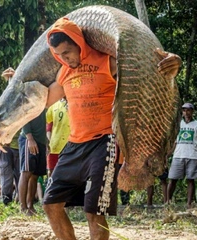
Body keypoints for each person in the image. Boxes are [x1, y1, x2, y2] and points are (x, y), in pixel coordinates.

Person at [40, 17, 182, 240]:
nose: (64, 58)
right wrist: (14, 85)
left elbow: (148, 69)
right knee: (51, 204)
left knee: (94, 212)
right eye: (58, 55)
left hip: (104, 143)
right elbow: (44, 100)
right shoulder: (64, 72)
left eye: (67, 52)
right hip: (74, 144)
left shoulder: (107, 61)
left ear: (80, 43)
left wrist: (173, 62)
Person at [167, 102, 197, 209]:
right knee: (172, 179)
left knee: (190, 179)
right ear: (182, 112)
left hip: (192, 155)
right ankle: (168, 203)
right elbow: (175, 141)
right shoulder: (179, 124)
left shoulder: (196, 124)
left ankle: (189, 204)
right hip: (178, 155)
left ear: (192, 111)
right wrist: (169, 154)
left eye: (188, 110)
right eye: (184, 110)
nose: (186, 112)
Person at [0, 68, 20, 205]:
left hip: (19, 144)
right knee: (6, 173)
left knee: (20, 174)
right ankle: (6, 200)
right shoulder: (2, 104)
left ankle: (19, 200)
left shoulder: (22, 101)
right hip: (4, 144)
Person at [18, 112, 47, 216]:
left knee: (35, 175)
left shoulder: (44, 102)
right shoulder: (29, 99)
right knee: (26, 172)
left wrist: (45, 141)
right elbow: (24, 117)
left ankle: (30, 206)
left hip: (40, 141)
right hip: (29, 139)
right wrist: (29, 138)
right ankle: (23, 207)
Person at [46, 97, 70, 178]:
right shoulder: (53, 105)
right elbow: (47, 122)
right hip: (54, 147)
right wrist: (47, 141)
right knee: (52, 174)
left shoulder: (74, 102)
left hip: (70, 147)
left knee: (68, 174)